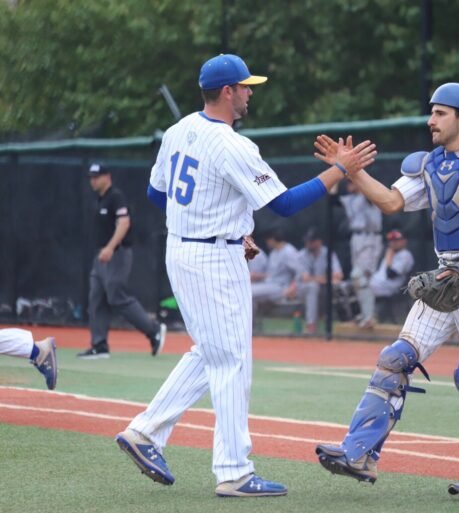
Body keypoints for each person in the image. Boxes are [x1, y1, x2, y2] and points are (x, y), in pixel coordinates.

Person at [114, 54, 376, 498]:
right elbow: (285, 205)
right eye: (245, 86)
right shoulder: (233, 145)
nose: (250, 92)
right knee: (232, 361)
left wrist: (230, 225)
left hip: (183, 249)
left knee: (211, 352)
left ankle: (145, 432)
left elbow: (156, 195)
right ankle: (234, 471)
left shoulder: (177, 131)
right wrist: (341, 169)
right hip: (213, 259)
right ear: (227, 91)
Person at [313, 82, 459, 501]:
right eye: (432, 112)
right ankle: (360, 454)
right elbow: (392, 202)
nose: (431, 120)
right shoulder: (430, 164)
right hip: (447, 273)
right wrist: (351, 170)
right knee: (395, 358)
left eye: (440, 113)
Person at [77, 163, 167, 360]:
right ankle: (99, 345)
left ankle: (153, 330)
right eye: (91, 177)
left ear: (107, 176)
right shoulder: (100, 199)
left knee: (116, 295)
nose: (93, 181)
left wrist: (110, 247)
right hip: (101, 257)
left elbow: (124, 223)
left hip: (116, 254)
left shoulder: (115, 197)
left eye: (96, 177)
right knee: (96, 298)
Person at [340, 180, 383, 329]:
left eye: (352, 183)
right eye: (349, 183)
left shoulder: (368, 196)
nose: (350, 186)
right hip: (356, 239)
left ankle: (369, 316)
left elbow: (371, 195)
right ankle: (366, 315)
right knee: (358, 280)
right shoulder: (351, 199)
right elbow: (334, 198)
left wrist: (360, 181)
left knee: (360, 276)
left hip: (370, 238)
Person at [297, 228, 344, 334]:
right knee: (313, 286)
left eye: (311, 241)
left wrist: (320, 279)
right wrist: (327, 278)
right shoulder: (301, 255)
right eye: (307, 241)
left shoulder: (327, 253)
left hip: (324, 289)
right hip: (302, 289)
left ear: (319, 242)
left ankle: (347, 321)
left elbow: (339, 275)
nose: (308, 244)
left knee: (341, 285)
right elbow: (305, 278)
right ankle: (311, 325)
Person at [250, 229, 305, 318]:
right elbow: (271, 274)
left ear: (272, 239)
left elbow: (300, 272)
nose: (267, 243)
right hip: (270, 285)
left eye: (268, 240)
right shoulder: (274, 252)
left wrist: (292, 287)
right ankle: (252, 325)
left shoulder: (288, 251)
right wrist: (259, 276)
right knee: (248, 293)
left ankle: (249, 325)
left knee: (250, 292)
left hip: (281, 287)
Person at [370, 229, 415, 323]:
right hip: (380, 284)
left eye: (396, 240)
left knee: (364, 288)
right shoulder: (391, 253)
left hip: (391, 286)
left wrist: (389, 256)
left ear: (404, 241)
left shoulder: (405, 255)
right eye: (391, 240)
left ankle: (370, 317)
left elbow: (391, 274)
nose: (393, 243)